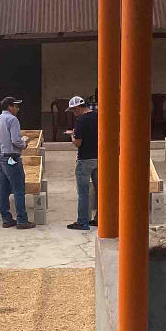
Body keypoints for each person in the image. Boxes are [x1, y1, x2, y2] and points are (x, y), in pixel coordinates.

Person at [0, 97, 34, 229]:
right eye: (16, 106)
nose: (18, 109)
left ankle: (6, 219)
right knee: (18, 189)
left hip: (0, 157)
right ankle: (22, 220)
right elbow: (15, 141)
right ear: (10, 107)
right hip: (12, 158)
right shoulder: (12, 119)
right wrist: (25, 143)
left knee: (4, 190)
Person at [66, 95, 98, 230]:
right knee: (100, 190)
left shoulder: (81, 120)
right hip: (99, 158)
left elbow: (78, 143)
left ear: (78, 108)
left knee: (83, 192)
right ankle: (100, 219)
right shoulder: (98, 116)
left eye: (74, 111)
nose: (74, 113)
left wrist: (72, 135)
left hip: (85, 160)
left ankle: (83, 221)